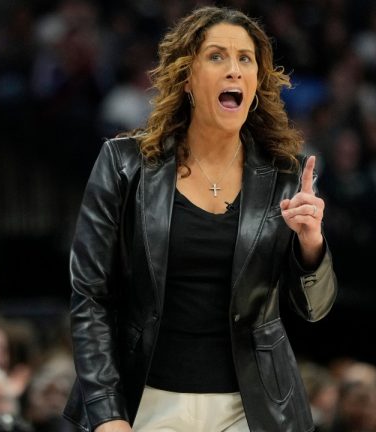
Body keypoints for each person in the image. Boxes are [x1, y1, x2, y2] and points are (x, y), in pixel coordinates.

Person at [63, 6, 337, 432]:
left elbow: (315, 310)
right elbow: (90, 296)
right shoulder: (124, 165)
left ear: (258, 81)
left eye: (245, 59)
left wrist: (311, 245)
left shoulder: (287, 174)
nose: (234, 70)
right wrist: (106, 412)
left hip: (252, 410)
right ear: (187, 77)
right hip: (150, 402)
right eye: (216, 56)